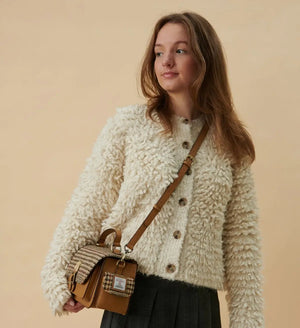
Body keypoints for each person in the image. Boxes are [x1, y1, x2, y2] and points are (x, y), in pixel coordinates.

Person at [41, 11, 265, 328]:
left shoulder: (230, 142)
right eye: (159, 52)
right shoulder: (129, 126)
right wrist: (57, 275)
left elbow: (242, 241)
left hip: (198, 308)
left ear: (205, 59)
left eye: (180, 50)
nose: (166, 61)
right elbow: (89, 203)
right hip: (133, 297)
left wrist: (248, 319)